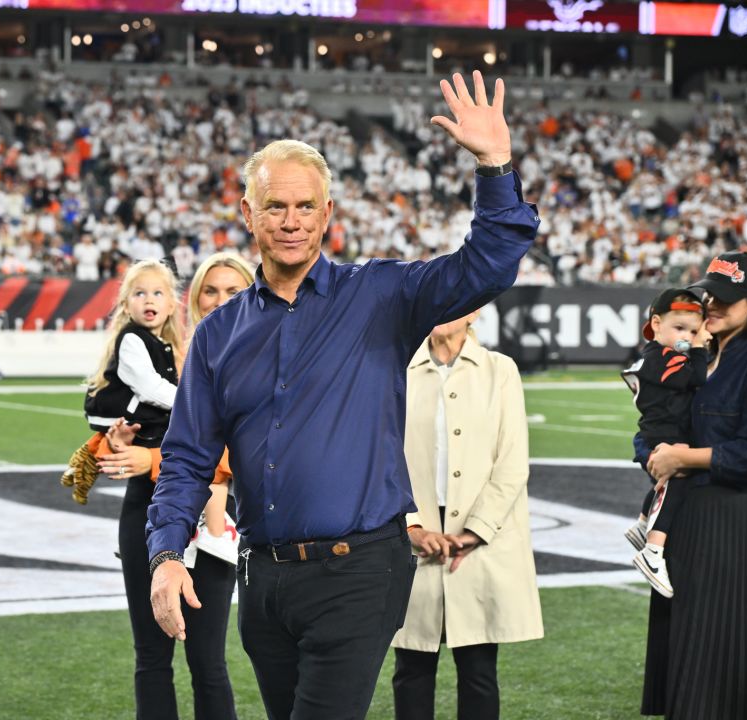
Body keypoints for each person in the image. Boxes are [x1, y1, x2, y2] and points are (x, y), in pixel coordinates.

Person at [146, 71, 539, 719]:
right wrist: (166, 554)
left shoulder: (382, 295)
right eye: (275, 206)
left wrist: (495, 166)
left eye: (307, 207)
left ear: (329, 214)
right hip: (262, 578)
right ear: (248, 214)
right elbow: (186, 459)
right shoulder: (219, 333)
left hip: (359, 569)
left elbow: (488, 264)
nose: (292, 221)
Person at [92, 253, 257, 720]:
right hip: (148, 513)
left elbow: (236, 453)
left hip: (216, 525)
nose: (222, 301)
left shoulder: (264, 356)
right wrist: (110, 444)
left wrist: (151, 458)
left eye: (234, 291)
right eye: (211, 290)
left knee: (207, 660)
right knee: (151, 658)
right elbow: (112, 437)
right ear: (193, 300)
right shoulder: (166, 354)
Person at [638, 251, 747, 719]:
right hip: (686, 515)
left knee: (720, 649)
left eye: (727, 298)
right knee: (689, 647)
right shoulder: (698, 354)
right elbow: (659, 425)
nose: (713, 304)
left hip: (729, 516)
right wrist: (652, 456)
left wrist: (683, 457)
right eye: (711, 294)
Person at [391, 310, 543, 720]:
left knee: (478, 670)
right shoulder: (397, 369)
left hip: (478, 539)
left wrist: (474, 531)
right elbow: (381, 456)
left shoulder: (500, 370)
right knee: (411, 669)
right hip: (414, 533)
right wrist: (412, 526)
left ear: (474, 311)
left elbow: (513, 462)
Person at [63, 260, 186, 505]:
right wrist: (190, 403)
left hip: (133, 416)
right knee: (163, 431)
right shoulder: (132, 338)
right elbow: (148, 387)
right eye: (139, 293)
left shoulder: (162, 343)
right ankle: (89, 462)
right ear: (126, 306)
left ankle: (86, 462)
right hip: (119, 411)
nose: (149, 300)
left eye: (158, 293)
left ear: (171, 305)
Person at [620, 288, 712, 597]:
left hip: (664, 428)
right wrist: (700, 348)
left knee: (664, 485)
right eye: (680, 328)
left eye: (693, 330)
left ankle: (643, 522)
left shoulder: (663, 352)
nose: (687, 336)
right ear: (656, 324)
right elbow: (696, 377)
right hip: (664, 433)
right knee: (677, 479)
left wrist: (694, 343)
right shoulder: (660, 358)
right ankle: (652, 550)